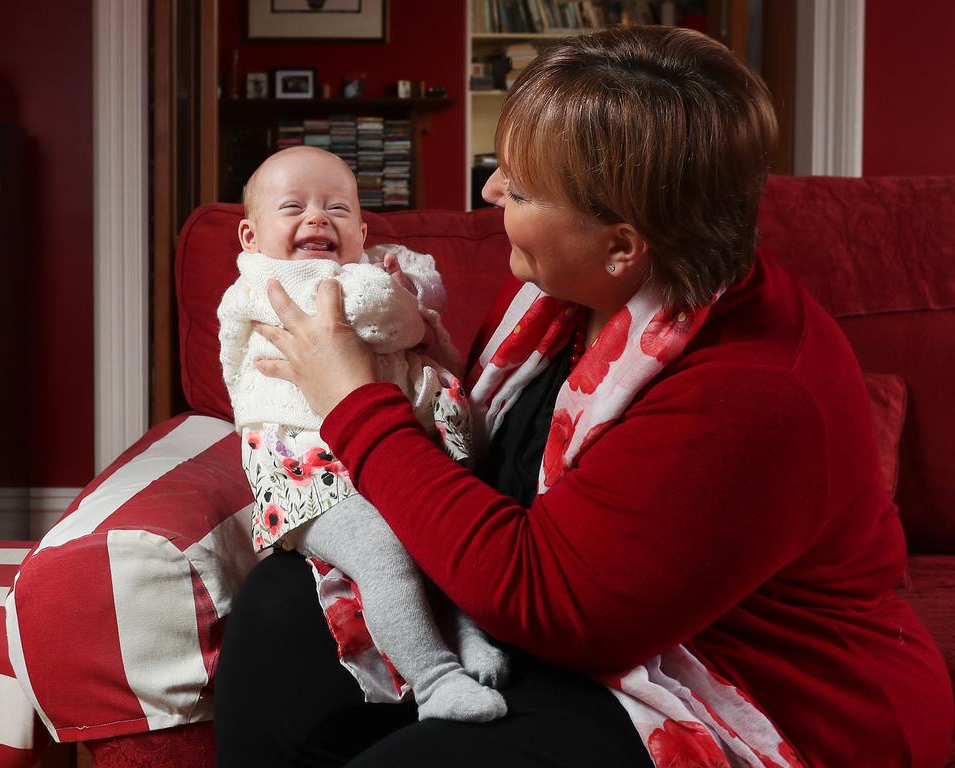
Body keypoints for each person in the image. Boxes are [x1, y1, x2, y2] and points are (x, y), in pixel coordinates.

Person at [214, 26, 954, 768]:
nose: (490, 190)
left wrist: (353, 400)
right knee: (280, 607)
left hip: (731, 684)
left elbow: (547, 600)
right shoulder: (554, 295)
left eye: (523, 186)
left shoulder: (750, 391)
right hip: (568, 621)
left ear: (622, 245)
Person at [216, 146, 509, 726]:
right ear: (250, 236)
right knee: (385, 551)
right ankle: (434, 679)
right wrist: (402, 296)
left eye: (338, 209)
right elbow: (385, 318)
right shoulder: (265, 283)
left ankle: (465, 632)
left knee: (443, 528)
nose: (319, 219)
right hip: (310, 470)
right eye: (294, 206)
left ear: (363, 229)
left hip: (382, 445)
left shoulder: (367, 267)